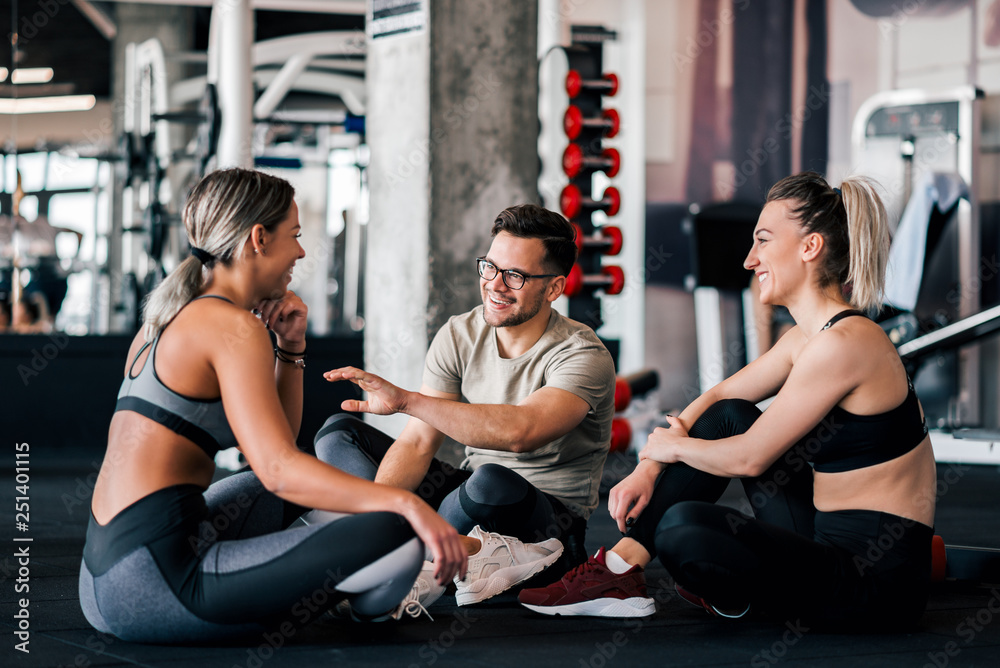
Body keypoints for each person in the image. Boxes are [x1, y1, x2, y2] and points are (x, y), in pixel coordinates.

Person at [519, 172, 937, 632]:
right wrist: (648, 467)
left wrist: (667, 448)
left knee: (684, 528)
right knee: (729, 416)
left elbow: (752, 458)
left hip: (875, 588)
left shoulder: (847, 343)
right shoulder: (809, 337)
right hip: (823, 544)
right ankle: (617, 571)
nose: (749, 259)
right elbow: (721, 399)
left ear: (810, 247)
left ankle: (727, 587)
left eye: (762, 240)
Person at [79, 168, 470, 644]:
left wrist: (291, 345)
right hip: (155, 587)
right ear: (258, 239)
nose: (302, 253)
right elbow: (280, 468)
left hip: (103, 579)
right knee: (392, 532)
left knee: (279, 491)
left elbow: (277, 445)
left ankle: (334, 571)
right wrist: (408, 505)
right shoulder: (230, 326)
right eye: (296, 236)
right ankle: (367, 600)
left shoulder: (163, 319)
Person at [320, 203, 617, 608]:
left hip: (545, 523)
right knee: (340, 432)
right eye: (490, 267)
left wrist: (407, 401)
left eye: (515, 276)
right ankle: (398, 544)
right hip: (465, 501)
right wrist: (382, 513)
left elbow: (520, 433)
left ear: (553, 288)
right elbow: (418, 443)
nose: (495, 284)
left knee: (490, 480)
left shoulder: (583, 354)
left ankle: (407, 554)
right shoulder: (460, 333)